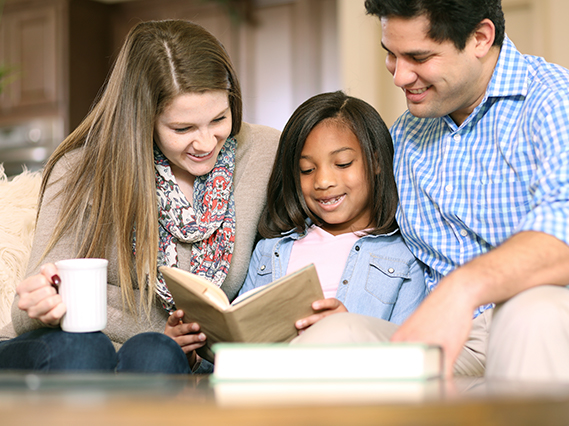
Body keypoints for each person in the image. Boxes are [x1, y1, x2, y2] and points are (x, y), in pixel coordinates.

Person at [296, 0, 569, 381]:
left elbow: (563, 234)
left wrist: (463, 288)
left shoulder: (555, 102)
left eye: (418, 57)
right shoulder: (405, 134)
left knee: (530, 314)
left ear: (480, 38)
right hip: (445, 339)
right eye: (391, 55)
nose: (399, 76)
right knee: (332, 336)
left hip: (545, 319)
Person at [0, 20, 280, 374]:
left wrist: (171, 334)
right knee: (89, 348)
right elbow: (41, 301)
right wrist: (41, 304)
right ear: (141, 120)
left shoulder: (264, 153)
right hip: (65, 348)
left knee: (158, 353)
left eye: (219, 119)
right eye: (183, 129)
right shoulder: (79, 169)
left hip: (163, 359)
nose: (207, 142)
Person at [240, 91, 426, 332]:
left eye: (343, 164)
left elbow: (408, 354)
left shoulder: (405, 256)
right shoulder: (269, 250)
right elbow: (237, 335)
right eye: (307, 170)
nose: (323, 181)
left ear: (377, 162)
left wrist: (349, 330)